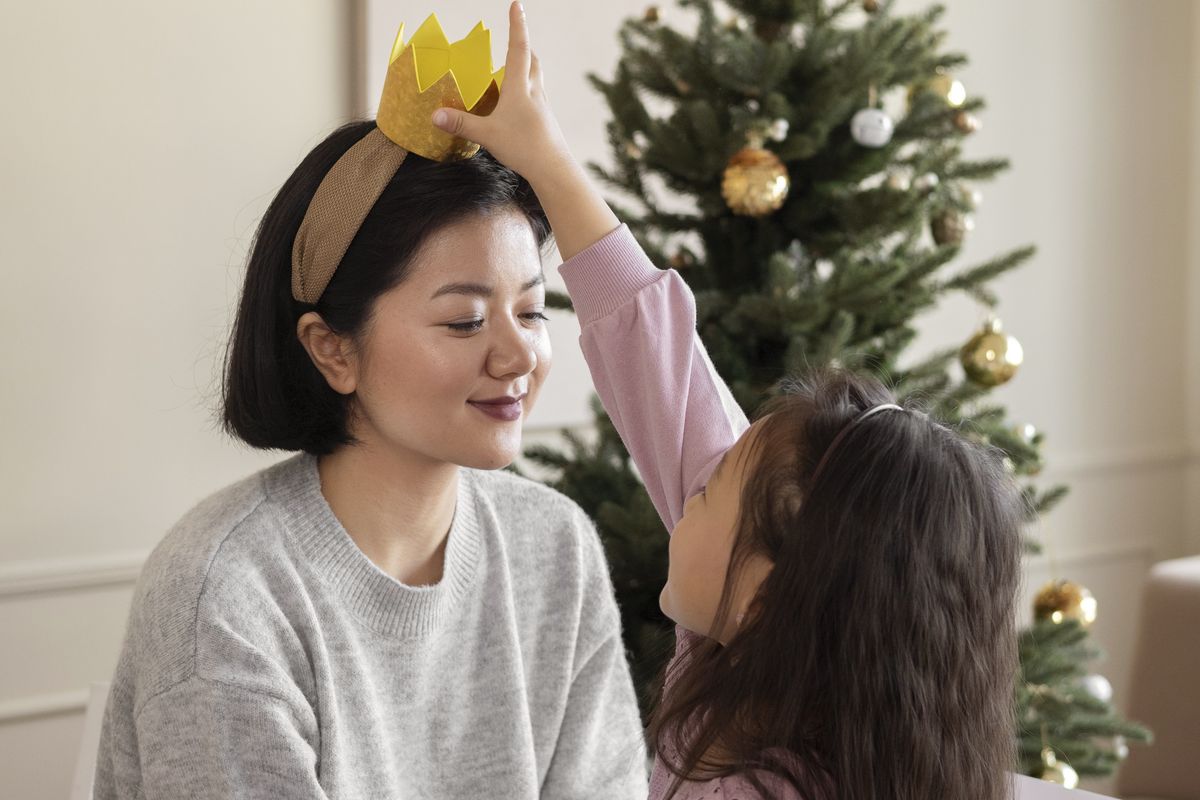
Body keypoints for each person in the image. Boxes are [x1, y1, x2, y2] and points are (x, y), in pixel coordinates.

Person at [433, 3, 1028, 798]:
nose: (690, 491)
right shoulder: (757, 631)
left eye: (708, 492)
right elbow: (655, 356)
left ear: (767, 599)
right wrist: (543, 157)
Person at [91, 9, 648, 796]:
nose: (519, 353)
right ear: (332, 349)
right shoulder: (225, 591)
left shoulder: (555, 546)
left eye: (532, 309)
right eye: (463, 318)